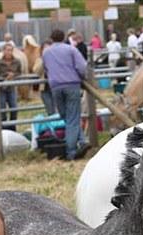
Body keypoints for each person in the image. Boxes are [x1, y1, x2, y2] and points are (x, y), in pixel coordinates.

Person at [42, 29, 90, 160]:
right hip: (72, 84)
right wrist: (82, 77)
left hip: (56, 87)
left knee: (67, 117)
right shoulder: (71, 50)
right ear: (64, 37)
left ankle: (82, 141)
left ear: (51, 38)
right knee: (72, 118)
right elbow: (82, 66)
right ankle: (71, 151)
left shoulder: (46, 53)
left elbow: (45, 69)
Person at [0, 43, 22, 130]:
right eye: (7, 50)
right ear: (3, 51)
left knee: (14, 107)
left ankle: (12, 126)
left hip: (11, 88)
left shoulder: (17, 61)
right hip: (1, 88)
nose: (9, 52)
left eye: (11, 50)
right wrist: (5, 76)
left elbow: (19, 72)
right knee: (2, 109)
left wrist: (14, 75)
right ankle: (4, 127)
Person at [34, 39, 55, 115]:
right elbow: (36, 71)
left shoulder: (56, 59)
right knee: (50, 110)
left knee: (57, 109)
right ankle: (53, 125)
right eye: (45, 49)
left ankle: (59, 126)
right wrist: (44, 60)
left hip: (56, 87)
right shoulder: (39, 60)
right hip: (45, 88)